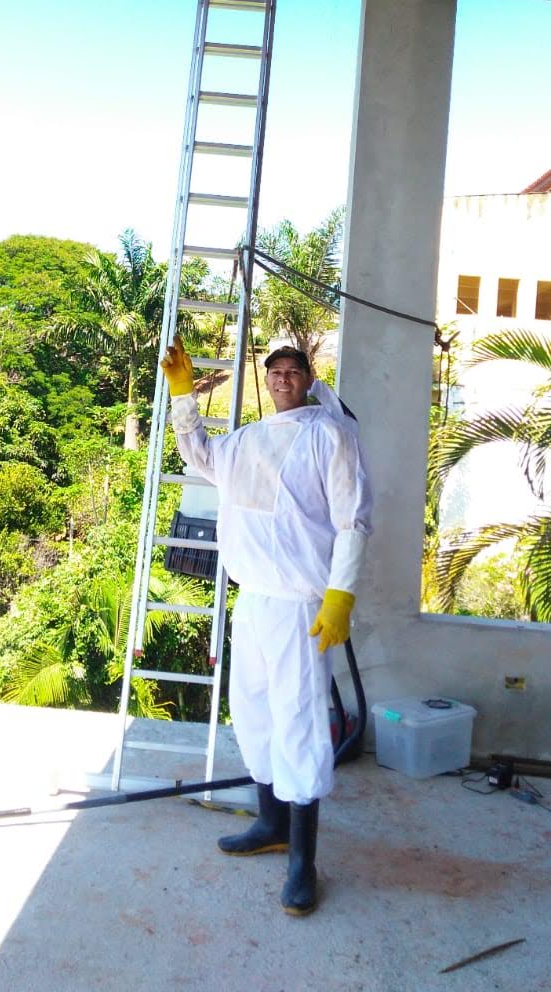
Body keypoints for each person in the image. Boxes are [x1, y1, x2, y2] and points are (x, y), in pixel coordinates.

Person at [160, 335, 373, 916]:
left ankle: (303, 861)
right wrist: (183, 392)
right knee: (253, 714)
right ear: (266, 379)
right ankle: (271, 823)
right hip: (251, 602)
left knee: (300, 721)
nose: (282, 377)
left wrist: (340, 596)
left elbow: (353, 520)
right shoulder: (249, 441)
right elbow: (199, 456)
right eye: (274, 369)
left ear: (308, 378)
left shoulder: (332, 434)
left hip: (303, 607)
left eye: (293, 369)